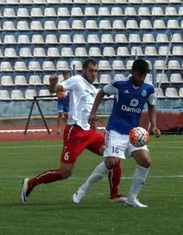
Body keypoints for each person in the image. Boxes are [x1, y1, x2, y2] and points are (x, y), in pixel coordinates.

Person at [20, 59, 124, 204]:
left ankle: (115, 195)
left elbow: (90, 116)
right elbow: (55, 89)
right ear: (83, 70)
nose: (94, 74)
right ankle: (30, 183)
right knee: (65, 173)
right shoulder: (76, 80)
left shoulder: (94, 90)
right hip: (74, 133)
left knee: (113, 156)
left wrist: (95, 130)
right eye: (91, 70)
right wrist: (52, 83)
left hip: (89, 133)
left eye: (96, 71)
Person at [72, 59, 161, 208]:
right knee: (112, 162)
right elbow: (101, 93)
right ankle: (82, 190)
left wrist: (154, 126)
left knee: (145, 161)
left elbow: (152, 106)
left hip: (133, 133)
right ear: (133, 72)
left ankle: (132, 198)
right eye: (139, 75)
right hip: (115, 130)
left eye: (144, 76)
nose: (141, 79)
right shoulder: (119, 84)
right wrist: (93, 112)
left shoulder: (149, 88)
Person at [56, 71, 70, 135]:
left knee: (67, 115)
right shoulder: (61, 83)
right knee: (60, 114)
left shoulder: (71, 83)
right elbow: (57, 91)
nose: (66, 76)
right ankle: (58, 128)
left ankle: (67, 128)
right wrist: (59, 95)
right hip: (61, 101)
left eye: (67, 75)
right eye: (65, 75)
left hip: (67, 101)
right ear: (63, 76)